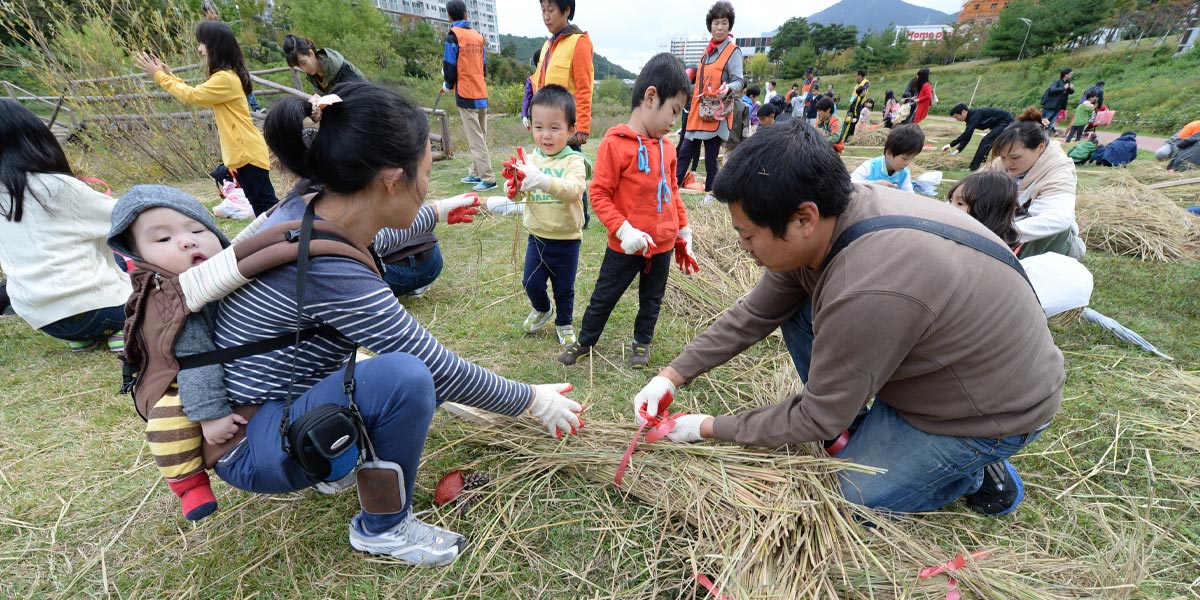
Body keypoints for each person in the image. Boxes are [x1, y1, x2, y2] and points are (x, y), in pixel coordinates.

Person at [216, 82, 584, 565]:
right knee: (406, 376)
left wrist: (438, 211)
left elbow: (379, 231)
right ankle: (384, 528)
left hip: (265, 412)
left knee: (391, 374)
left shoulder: (311, 210)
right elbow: (438, 368)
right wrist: (532, 400)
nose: (429, 183)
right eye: (428, 173)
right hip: (249, 444)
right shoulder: (329, 268)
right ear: (392, 179)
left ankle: (329, 457)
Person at [631, 120, 1063, 517]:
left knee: (845, 500)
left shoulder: (868, 286)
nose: (745, 247)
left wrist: (704, 428)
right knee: (796, 307)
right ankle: (865, 430)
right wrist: (671, 376)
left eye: (748, 236)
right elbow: (755, 312)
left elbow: (816, 418)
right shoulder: (836, 219)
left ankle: (973, 470)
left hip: (980, 413)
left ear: (804, 218)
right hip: (927, 360)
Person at [106, 185, 244, 522]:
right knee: (167, 422)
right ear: (138, 257)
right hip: (181, 378)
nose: (187, 241)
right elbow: (197, 360)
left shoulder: (228, 271)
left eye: (197, 229)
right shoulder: (174, 297)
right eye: (163, 239)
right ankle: (188, 484)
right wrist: (210, 414)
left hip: (235, 360)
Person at [558, 53, 696, 369]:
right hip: (625, 245)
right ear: (650, 97)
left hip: (660, 245)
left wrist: (682, 231)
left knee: (652, 300)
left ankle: (642, 344)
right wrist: (624, 230)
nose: (674, 121)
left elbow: (672, 192)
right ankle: (585, 340)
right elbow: (599, 193)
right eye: (673, 111)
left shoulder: (668, 148)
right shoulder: (615, 144)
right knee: (604, 296)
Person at [0, 100, 131, 352]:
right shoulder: (57, 187)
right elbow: (124, 217)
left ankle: (82, 337)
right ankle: (123, 330)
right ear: (36, 138)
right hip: (102, 311)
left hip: (44, 320)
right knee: (135, 266)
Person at [134, 22, 276, 215]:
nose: (200, 49)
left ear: (214, 45)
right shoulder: (227, 77)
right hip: (245, 151)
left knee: (265, 204)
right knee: (260, 203)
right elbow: (197, 93)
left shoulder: (225, 79)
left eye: (202, 43)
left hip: (247, 151)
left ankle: (293, 236)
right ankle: (286, 236)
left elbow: (192, 96)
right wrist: (170, 76)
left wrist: (160, 76)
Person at [506, 84, 590, 346]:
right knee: (530, 282)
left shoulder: (573, 161)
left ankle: (564, 322)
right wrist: (514, 187)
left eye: (555, 128)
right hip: (537, 237)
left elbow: (574, 190)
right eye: (539, 127)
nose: (546, 135)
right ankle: (543, 309)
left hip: (566, 240)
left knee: (564, 288)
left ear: (571, 130)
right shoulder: (531, 159)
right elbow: (521, 193)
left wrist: (541, 180)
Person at [986, 107, 1083, 259]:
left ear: (1041, 147)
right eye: (1003, 157)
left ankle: (1018, 270)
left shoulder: (1058, 169)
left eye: (1015, 158)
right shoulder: (1002, 163)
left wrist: (998, 235)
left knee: (1051, 227)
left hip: (1049, 244)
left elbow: (1059, 218)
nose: (1007, 164)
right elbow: (967, 193)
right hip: (1007, 231)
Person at [533, 0, 595, 226]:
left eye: (551, 10)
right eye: (543, 10)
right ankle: (554, 210)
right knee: (551, 167)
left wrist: (581, 128)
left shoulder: (578, 42)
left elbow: (584, 87)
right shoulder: (548, 46)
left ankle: (582, 218)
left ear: (566, 11)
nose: (546, 16)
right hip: (548, 123)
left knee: (572, 170)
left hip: (567, 125)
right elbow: (537, 83)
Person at [676, 1, 744, 200]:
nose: (720, 27)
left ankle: (712, 194)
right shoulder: (707, 52)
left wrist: (727, 89)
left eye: (724, 23)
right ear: (710, 26)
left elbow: (739, 81)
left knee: (711, 157)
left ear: (729, 26)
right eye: (716, 23)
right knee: (685, 151)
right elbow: (699, 80)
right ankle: (671, 188)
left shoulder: (733, 51)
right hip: (698, 110)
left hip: (716, 112)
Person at [443, 0, 496, 193]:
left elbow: (449, 66)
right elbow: (483, 66)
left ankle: (488, 178)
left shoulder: (452, 37)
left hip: (465, 94)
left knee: (476, 140)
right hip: (481, 91)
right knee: (480, 136)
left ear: (449, 17)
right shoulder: (478, 37)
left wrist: (447, 85)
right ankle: (475, 172)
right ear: (466, 15)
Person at [947, 171, 1022, 252]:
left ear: (987, 212)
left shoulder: (985, 253)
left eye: (960, 203)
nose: (949, 207)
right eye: (951, 201)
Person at [282, 34, 365, 95]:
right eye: (299, 66)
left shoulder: (338, 66)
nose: (304, 69)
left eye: (304, 63)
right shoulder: (313, 75)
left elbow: (360, 92)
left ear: (311, 53)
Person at [850, 124, 924, 192]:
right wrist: (874, 183)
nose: (907, 163)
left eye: (912, 158)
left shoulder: (904, 174)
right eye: (904, 158)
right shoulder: (871, 166)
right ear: (889, 153)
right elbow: (850, 182)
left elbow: (910, 195)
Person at [943, 103, 1015, 171]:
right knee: (989, 141)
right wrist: (957, 150)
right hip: (999, 124)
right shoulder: (971, 118)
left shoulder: (975, 115)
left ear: (964, 112)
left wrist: (951, 144)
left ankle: (973, 167)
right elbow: (967, 136)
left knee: (986, 141)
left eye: (956, 116)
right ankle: (983, 161)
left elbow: (966, 133)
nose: (957, 119)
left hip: (1006, 122)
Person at [1041, 68, 1075, 136]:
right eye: (1070, 74)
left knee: (1050, 123)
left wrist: (1071, 88)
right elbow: (1052, 90)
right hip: (1051, 105)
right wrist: (1063, 88)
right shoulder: (1057, 82)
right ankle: (1037, 135)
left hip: (1058, 106)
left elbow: (1071, 92)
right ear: (1066, 75)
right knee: (1044, 121)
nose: (1071, 75)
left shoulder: (1067, 83)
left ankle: (1045, 137)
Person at [840, 68, 870, 141]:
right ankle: (844, 137)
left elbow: (863, 92)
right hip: (852, 105)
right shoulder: (857, 84)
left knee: (853, 123)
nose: (857, 77)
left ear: (861, 76)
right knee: (847, 122)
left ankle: (848, 137)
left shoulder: (866, 83)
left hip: (858, 107)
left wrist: (856, 114)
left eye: (858, 75)